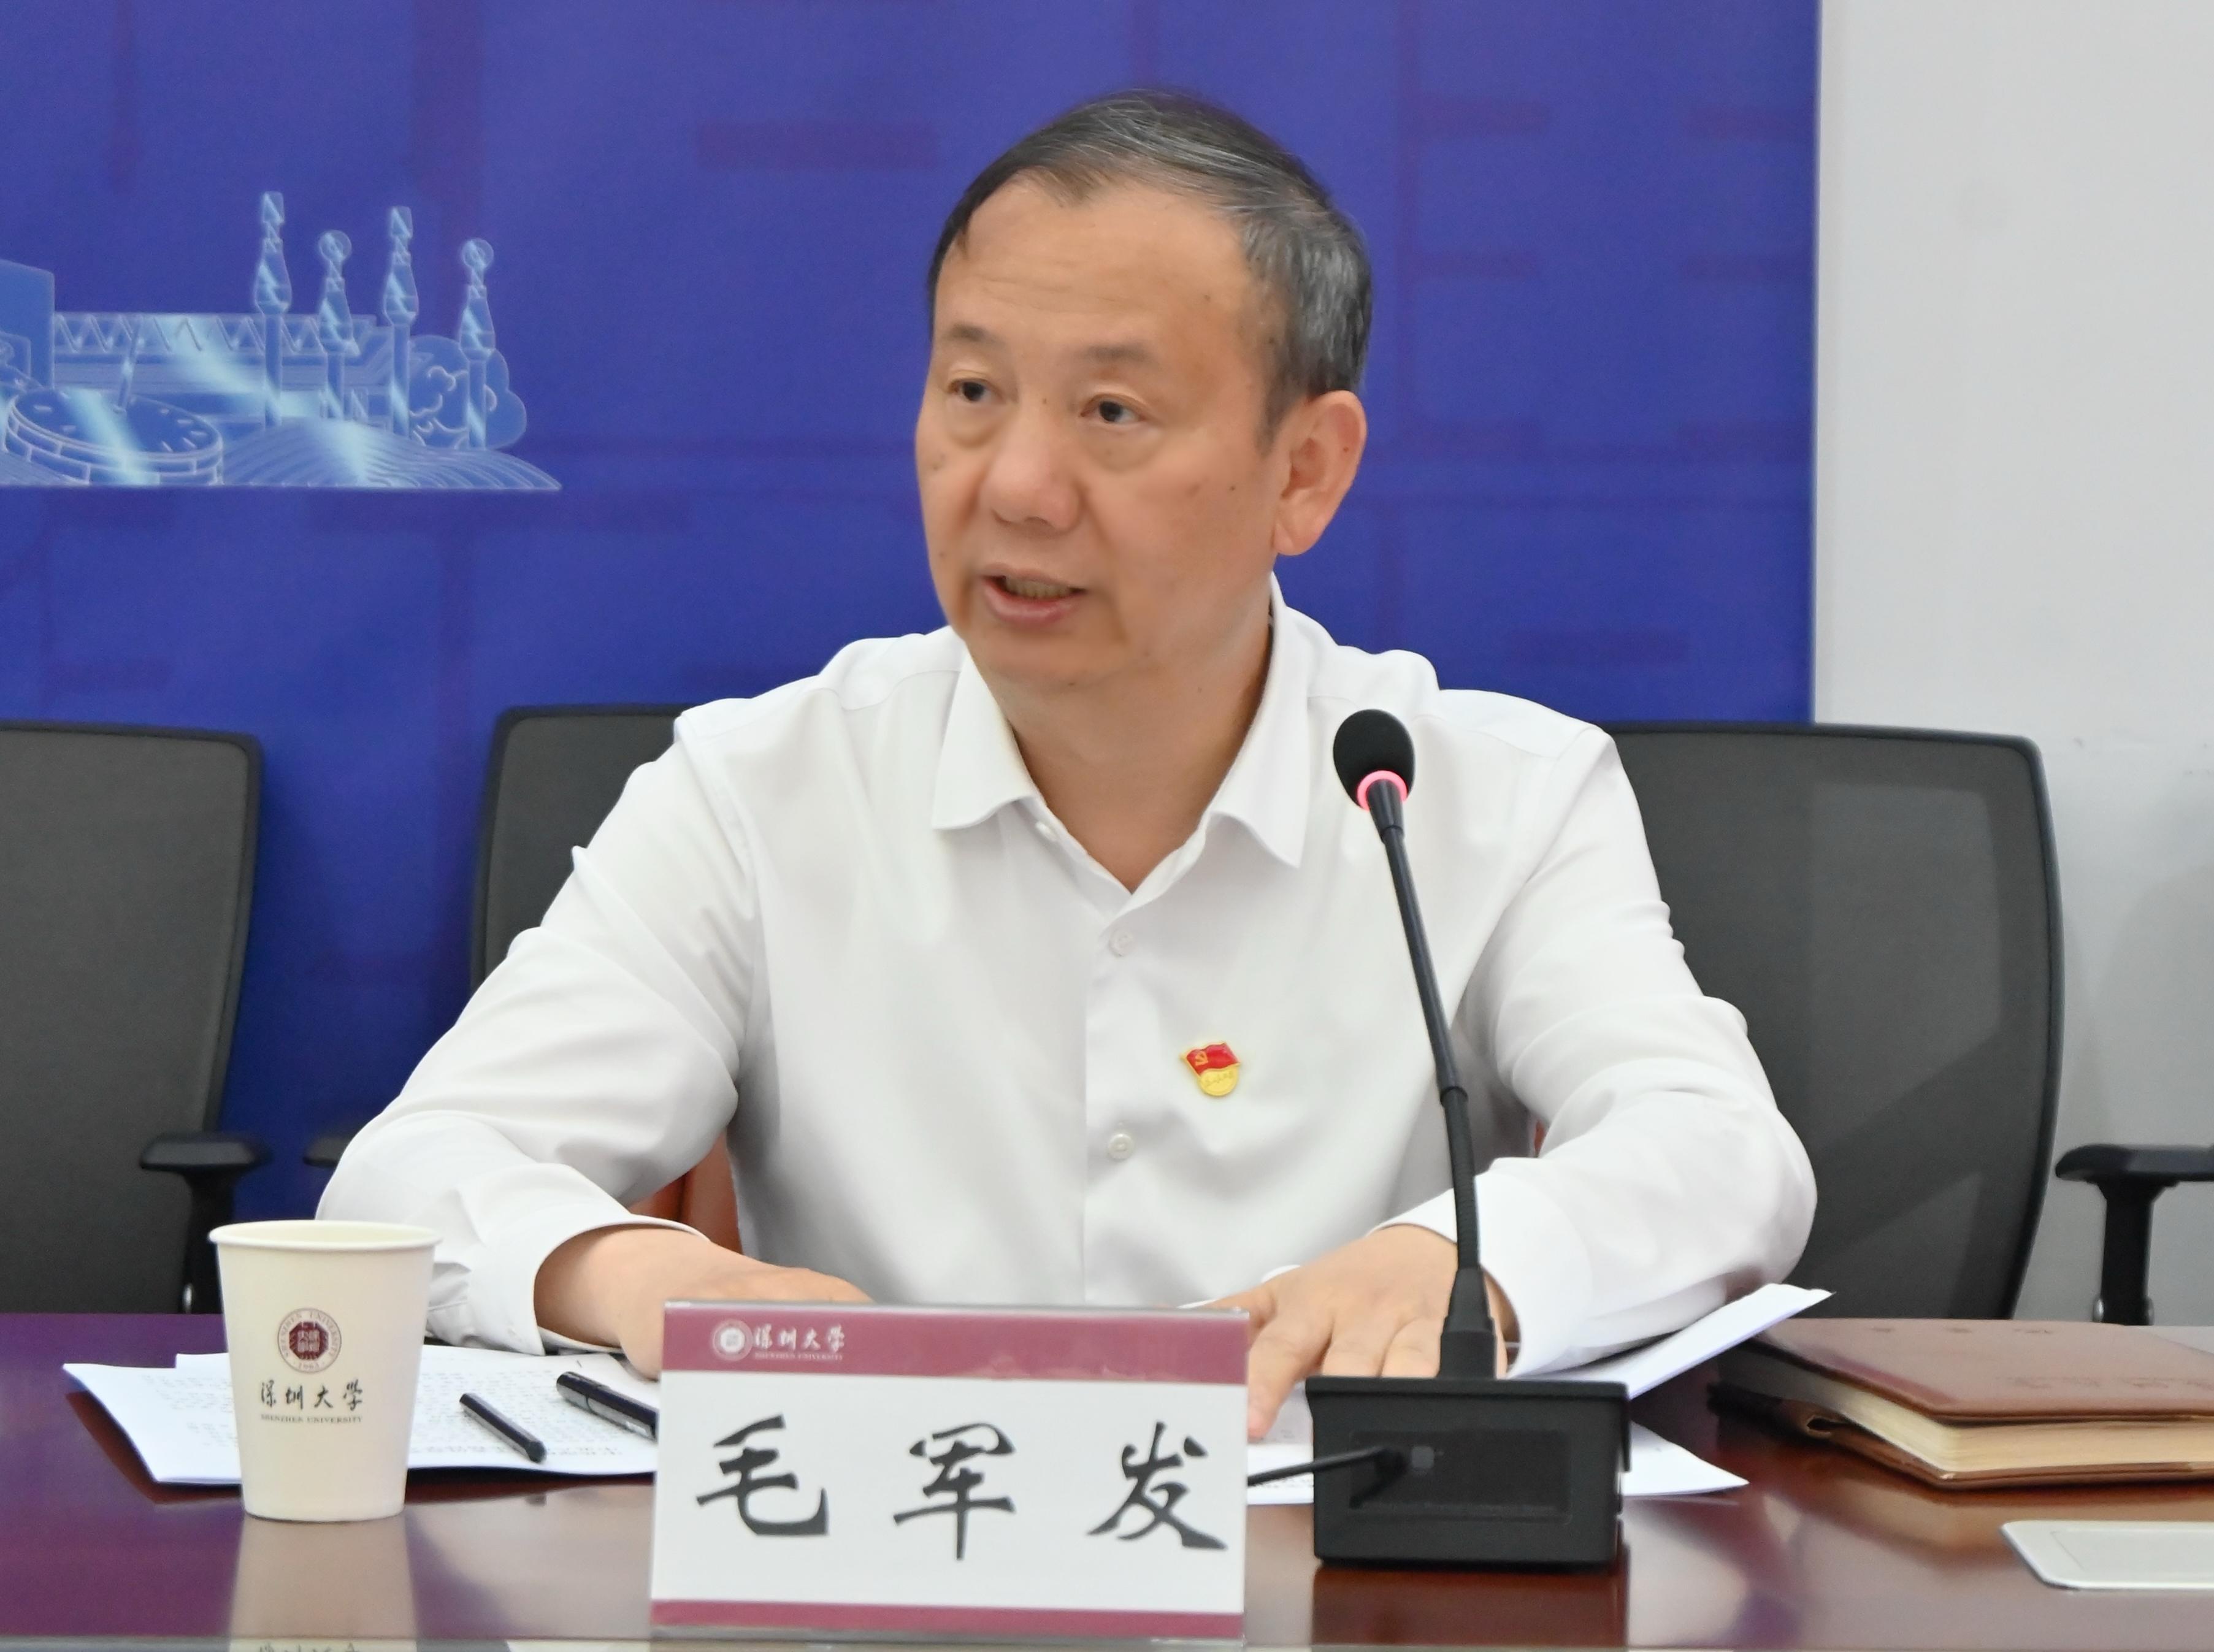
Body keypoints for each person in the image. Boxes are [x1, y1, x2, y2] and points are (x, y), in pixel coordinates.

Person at [322, 90, 1814, 1439]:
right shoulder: (758, 788)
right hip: (884, 1562)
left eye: (1110, 413)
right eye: (973, 393)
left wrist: (1453, 1264)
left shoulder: (1488, 797)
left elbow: (1720, 1155)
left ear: (1304, 472)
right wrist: (645, 1277)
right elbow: (413, 1173)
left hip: (1330, 1578)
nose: (1018, 489)